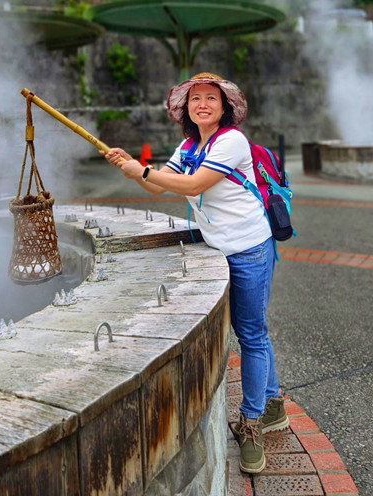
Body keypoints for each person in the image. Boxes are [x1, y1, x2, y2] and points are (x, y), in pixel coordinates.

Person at [103, 72, 288, 474]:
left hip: (250, 249)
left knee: (251, 332)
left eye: (210, 98)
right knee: (252, 330)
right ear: (186, 109)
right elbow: (158, 186)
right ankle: (274, 404)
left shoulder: (231, 141)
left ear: (225, 108)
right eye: (195, 99)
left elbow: (192, 184)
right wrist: (131, 168)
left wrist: (144, 172)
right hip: (219, 248)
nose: (202, 104)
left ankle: (252, 422)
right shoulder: (189, 144)